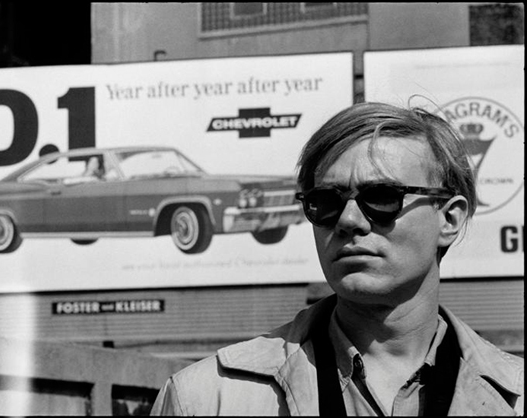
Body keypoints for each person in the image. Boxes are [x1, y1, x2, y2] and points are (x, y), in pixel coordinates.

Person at [150, 102, 524, 416]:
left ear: (450, 219)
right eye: (326, 202)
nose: (348, 220)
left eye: (382, 197)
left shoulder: (516, 395)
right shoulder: (206, 398)